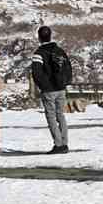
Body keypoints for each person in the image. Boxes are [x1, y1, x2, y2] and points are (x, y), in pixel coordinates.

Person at [31, 26, 72, 154]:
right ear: (50, 36)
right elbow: (68, 68)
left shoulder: (39, 53)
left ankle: (58, 144)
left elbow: (36, 73)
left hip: (48, 90)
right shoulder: (60, 51)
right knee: (61, 115)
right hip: (61, 88)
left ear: (39, 37)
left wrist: (43, 86)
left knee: (51, 117)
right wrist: (64, 83)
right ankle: (64, 143)